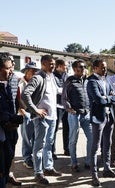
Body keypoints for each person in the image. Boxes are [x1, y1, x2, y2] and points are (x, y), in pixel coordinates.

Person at [21, 55, 62, 185]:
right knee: (39, 146)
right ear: (43, 64)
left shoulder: (52, 77)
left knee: (49, 144)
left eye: (54, 64)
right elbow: (25, 94)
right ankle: (38, 173)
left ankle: (48, 168)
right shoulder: (38, 77)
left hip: (52, 117)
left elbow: (58, 92)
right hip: (41, 118)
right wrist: (36, 110)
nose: (53, 66)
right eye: (50, 64)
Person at [87, 59, 115, 187]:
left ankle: (107, 169)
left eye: (105, 67)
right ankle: (94, 175)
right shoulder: (91, 82)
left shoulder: (105, 80)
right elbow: (98, 100)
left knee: (108, 144)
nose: (105, 70)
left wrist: (107, 97)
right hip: (98, 117)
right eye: (102, 67)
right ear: (95, 68)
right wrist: (109, 97)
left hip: (109, 117)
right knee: (95, 147)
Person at [62, 60, 92, 172]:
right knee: (73, 139)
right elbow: (64, 98)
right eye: (81, 67)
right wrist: (69, 109)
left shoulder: (87, 81)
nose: (84, 69)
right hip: (74, 115)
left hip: (86, 114)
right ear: (75, 69)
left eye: (84, 67)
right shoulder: (70, 81)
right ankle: (74, 163)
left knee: (92, 138)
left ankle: (88, 162)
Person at [0, 52, 23, 187]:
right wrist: (8, 118)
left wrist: (16, 117)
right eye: (8, 68)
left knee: (8, 161)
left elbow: (15, 100)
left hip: (11, 130)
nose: (11, 70)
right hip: (2, 133)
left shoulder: (9, 82)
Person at [18, 61, 40, 169]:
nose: (35, 73)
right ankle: (27, 159)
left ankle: (33, 158)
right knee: (27, 138)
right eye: (33, 71)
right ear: (27, 72)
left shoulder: (35, 82)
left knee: (36, 137)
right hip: (25, 113)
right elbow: (17, 100)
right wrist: (23, 112)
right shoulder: (20, 84)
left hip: (35, 112)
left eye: (36, 71)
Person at [53, 59, 69, 158]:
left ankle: (66, 149)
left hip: (66, 106)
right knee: (54, 130)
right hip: (57, 106)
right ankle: (52, 151)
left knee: (67, 128)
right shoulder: (52, 76)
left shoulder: (66, 76)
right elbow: (56, 90)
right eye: (64, 66)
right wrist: (65, 90)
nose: (66, 68)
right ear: (58, 66)